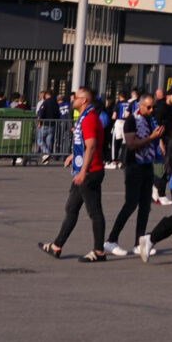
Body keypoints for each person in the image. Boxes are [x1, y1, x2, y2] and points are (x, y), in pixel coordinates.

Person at [40, 86, 109, 261]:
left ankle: (99, 252)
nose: (73, 100)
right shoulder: (85, 118)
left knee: (94, 212)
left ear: (84, 100)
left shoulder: (89, 119)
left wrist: (83, 171)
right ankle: (56, 246)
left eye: (76, 98)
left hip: (89, 172)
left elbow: (92, 145)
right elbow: (85, 145)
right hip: (83, 170)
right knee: (71, 209)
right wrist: (74, 155)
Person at [107, 91, 162, 258]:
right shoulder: (132, 120)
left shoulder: (150, 120)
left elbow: (155, 139)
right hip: (133, 165)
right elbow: (131, 144)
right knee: (130, 204)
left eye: (153, 107)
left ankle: (139, 242)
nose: (152, 110)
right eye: (148, 107)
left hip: (147, 164)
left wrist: (158, 143)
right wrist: (151, 137)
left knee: (145, 206)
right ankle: (111, 240)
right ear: (140, 106)